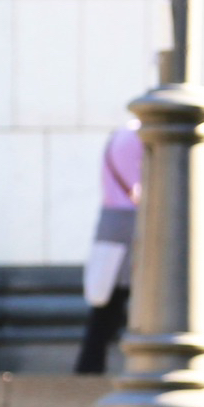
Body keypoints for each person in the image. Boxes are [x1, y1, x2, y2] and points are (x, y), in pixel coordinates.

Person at [76, 124, 142, 374]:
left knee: (107, 300)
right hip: (132, 222)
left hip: (111, 219)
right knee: (120, 300)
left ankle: (90, 364)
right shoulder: (143, 136)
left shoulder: (118, 135)